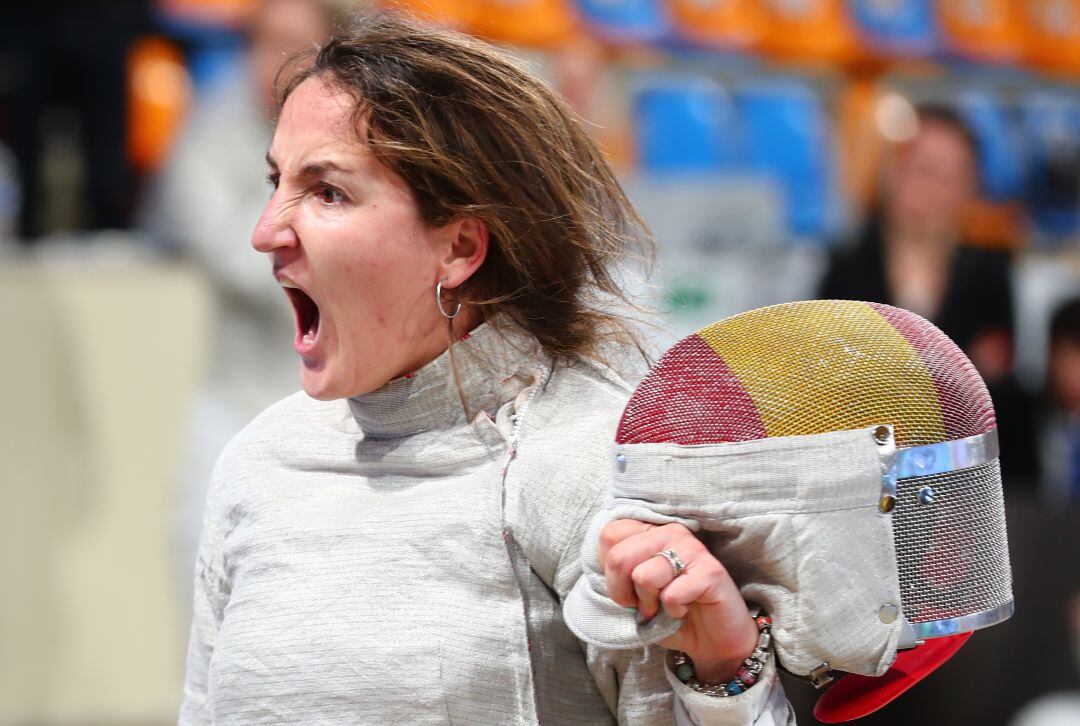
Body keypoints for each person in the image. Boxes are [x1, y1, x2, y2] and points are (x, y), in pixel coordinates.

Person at [179, 13, 793, 725]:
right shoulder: (258, 463)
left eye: (327, 192)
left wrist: (724, 675)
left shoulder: (596, 468)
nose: (264, 232)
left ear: (460, 247)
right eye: (276, 180)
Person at [819, 103, 1038, 483]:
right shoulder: (847, 268)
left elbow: (996, 394)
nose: (933, 189)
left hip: (961, 478)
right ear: (893, 172)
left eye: (950, 176)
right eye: (924, 169)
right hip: (861, 474)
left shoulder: (990, 278)